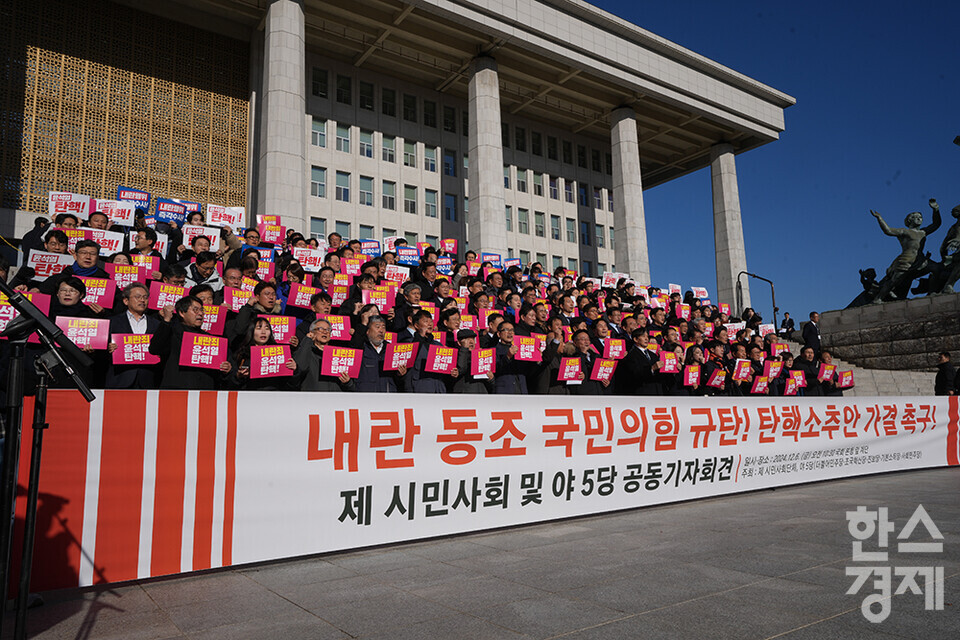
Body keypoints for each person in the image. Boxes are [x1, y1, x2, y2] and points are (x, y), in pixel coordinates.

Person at [149, 295, 232, 389]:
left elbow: (217, 370)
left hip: (205, 391)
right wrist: (166, 320)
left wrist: (225, 368)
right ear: (181, 313)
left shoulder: (210, 339)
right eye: (195, 310)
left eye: (202, 310)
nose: (200, 313)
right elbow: (154, 349)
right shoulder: (172, 331)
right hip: (177, 391)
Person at [105, 283, 161, 389]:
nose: (142, 300)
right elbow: (101, 351)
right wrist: (108, 348)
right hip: (120, 379)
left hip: (148, 380)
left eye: (145, 297)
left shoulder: (156, 324)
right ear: (126, 301)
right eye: (137, 297)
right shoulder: (113, 322)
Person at [226, 317, 301, 390]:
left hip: (274, 397)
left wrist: (294, 370)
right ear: (251, 331)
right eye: (259, 328)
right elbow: (230, 385)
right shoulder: (242, 354)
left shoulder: (280, 354)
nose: (263, 332)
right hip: (249, 398)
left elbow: (291, 385)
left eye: (267, 328)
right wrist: (238, 377)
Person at [293, 318, 354, 391]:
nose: (325, 332)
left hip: (335, 400)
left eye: (328, 330)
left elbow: (352, 389)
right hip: (313, 399)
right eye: (320, 329)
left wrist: (348, 383)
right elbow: (300, 367)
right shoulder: (306, 351)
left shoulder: (338, 355)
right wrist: (307, 339)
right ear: (312, 332)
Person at [355, 316, 406, 392]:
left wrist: (400, 375)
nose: (381, 331)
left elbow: (397, 381)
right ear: (368, 331)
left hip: (388, 397)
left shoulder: (391, 349)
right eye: (377, 327)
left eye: (383, 327)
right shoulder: (361, 348)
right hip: (366, 398)